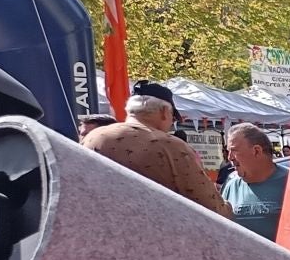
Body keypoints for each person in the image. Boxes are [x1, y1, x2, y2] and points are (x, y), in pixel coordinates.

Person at [82, 91, 231, 216]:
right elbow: (211, 207)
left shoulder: (93, 137)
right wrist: (230, 209)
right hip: (151, 238)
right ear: (165, 113)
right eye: (172, 117)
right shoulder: (170, 146)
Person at [221, 124, 289, 241]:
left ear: (257, 151)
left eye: (234, 150)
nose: (230, 158)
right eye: (228, 152)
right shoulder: (231, 186)